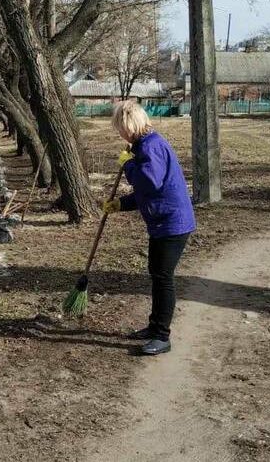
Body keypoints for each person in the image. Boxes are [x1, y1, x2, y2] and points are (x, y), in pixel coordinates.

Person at [101, 100, 195, 356]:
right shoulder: (145, 145)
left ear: (129, 125)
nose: (119, 134)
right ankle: (155, 327)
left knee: (163, 278)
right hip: (163, 221)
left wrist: (128, 164)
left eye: (120, 128)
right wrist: (121, 204)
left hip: (172, 223)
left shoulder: (151, 146)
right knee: (157, 274)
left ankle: (162, 337)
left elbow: (149, 182)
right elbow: (147, 192)